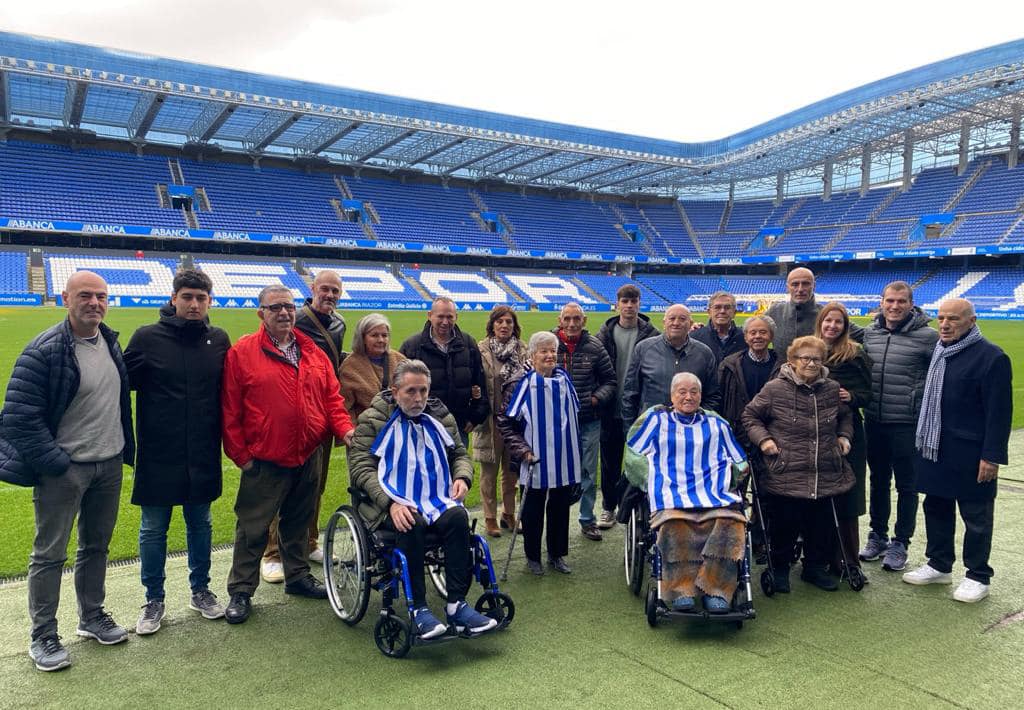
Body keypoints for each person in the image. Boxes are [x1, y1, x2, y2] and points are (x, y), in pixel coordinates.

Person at [0, 271, 135, 671]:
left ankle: (91, 617)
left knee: (96, 546)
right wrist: (56, 463)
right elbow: (19, 418)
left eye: (101, 296)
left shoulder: (110, 342)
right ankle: (43, 635)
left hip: (108, 464)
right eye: (85, 296)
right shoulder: (44, 350)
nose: (94, 303)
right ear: (66, 299)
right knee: (49, 554)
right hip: (65, 470)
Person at [220, 285, 355, 624]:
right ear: (261, 313)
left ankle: (297, 577)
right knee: (252, 528)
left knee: (298, 522)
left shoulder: (312, 352)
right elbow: (230, 409)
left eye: (289, 307)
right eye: (275, 307)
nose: (284, 313)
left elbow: (332, 400)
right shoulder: (243, 352)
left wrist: (345, 430)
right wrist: (241, 456)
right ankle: (241, 590)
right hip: (265, 459)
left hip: (308, 454)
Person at [348, 360, 498, 637]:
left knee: (458, 517)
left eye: (423, 391)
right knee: (410, 522)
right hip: (389, 501)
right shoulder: (372, 419)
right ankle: (418, 608)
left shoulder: (440, 416)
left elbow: (459, 454)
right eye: (411, 391)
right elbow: (360, 468)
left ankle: (456, 604)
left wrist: (462, 478)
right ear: (395, 392)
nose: (418, 398)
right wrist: (390, 503)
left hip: (434, 497)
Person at [124, 269, 231, 636]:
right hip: (158, 452)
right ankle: (153, 599)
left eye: (201, 298)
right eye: (187, 297)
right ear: (173, 299)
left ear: (209, 301)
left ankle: (200, 591)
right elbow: (117, 385)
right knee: (153, 528)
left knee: (200, 523)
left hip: (202, 451)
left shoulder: (218, 340)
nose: (194, 304)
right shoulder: (146, 338)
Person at [903, 299, 1012, 603]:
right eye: (941, 318)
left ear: (971, 321)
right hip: (935, 447)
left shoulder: (991, 357)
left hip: (971, 452)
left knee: (976, 516)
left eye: (953, 319)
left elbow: (999, 413)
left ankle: (978, 575)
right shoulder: (938, 351)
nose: (945, 324)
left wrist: (991, 456)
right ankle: (939, 564)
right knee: (936, 507)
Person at [625, 373, 749, 613]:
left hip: (713, 496)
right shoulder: (656, 421)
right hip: (672, 496)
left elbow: (739, 460)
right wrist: (648, 479)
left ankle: (715, 590)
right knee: (674, 523)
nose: (688, 397)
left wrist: (732, 478)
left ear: (701, 396)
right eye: (682, 392)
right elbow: (634, 454)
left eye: (694, 392)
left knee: (730, 522)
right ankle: (682, 589)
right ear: (672, 396)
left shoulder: (717, 425)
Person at [742, 335, 854, 592]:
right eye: (805, 358)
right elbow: (750, 416)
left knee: (821, 523)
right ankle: (780, 568)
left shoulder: (831, 389)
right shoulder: (775, 389)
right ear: (792, 361)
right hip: (786, 470)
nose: (811, 364)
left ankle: (814, 568)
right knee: (785, 524)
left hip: (824, 469)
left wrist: (844, 436)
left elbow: (846, 416)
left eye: (817, 359)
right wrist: (764, 440)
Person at [260, 269, 347, 578]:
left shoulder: (339, 323)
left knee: (315, 485)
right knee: (282, 486)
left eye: (335, 290)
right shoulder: (297, 321)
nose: (330, 295)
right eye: (325, 289)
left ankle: (309, 541)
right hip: (293, 413)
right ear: (312, 289)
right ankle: (272, 552)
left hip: (323, 415)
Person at [859, 281, 938, 572]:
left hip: (907, 423)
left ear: (911, 304)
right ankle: (877, 535)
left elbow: (939, 376)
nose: (894, 306)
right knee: (878, 481)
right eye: (890, 301)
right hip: (874, 420)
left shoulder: (928, 337)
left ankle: (901, 542)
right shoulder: (870, 333)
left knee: (907, 486)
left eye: (901, 301)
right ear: (881, 302)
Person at [498, 332, 581, 575]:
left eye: (552, 351)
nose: (549, 356)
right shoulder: (520, 382)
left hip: (562, 457)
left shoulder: (564, 380)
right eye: (543, 351)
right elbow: (505, 421)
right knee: (532, 509)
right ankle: (533, 556)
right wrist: (522, 450)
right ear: (532, 355)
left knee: (560, 507)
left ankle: (557, 554)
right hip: (532, 457)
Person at [815, 302, 872, 579]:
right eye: (828, 321)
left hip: (848, 434)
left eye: (838, 322)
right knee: (820, 497)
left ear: (845, 326)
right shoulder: (809, 350)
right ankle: (820, 557)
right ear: (820, 323)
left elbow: (869, 394)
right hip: (815, 432)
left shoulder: (855, 354)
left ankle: (849, 561)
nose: (832, 326)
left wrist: (853, 397)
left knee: (848, 497)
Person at [551, 302, 616, 541]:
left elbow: (610, 381)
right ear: (560, 320)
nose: (571, 324)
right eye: (567, 318)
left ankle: (587, 519)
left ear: (584, 321)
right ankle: (554, 520)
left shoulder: (595, 346)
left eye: (576, 319)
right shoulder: (549, 344)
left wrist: (596, 399)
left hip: (588, 420)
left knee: (588, 471)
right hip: (555, 423)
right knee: (555, 473)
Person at [596, 284, 659, 530]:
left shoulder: (652, 334)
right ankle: (608, 507)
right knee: (609, 463)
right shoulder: (604, 335)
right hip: (610, 409)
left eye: (634, 301)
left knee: (640, 462)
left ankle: (637, 506)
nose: (629, 306)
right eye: (625, 301)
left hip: (640, 411)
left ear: (639, 304)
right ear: (617, 304)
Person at [399, 297, 489, 446]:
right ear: (430, 315)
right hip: (421, 425)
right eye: (440, 316)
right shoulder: (412, 346)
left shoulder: (468, 344)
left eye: (449, 317)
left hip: (458, 426)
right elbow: (399, 387)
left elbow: (479, 383)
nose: (445, 322)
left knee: (457, 461)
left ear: (456, 317)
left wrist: (475, 417)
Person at [473, 306, 527, 537]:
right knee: (489, 473)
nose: (504, 325)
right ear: (492, 325)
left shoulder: (523, 350)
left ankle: (509, 514)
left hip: (515, 421)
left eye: (508, 322)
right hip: (490, 420)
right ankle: (489, 517)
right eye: (499, 321)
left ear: (514, 326)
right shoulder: (481, 350)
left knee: (512, 472)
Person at [622, 304, 721, 428]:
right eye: (672, 318)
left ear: (690, 324)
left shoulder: (704, 353)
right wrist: (631, 430)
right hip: (652, 428)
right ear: (664, 323)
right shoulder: (644, 349)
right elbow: (630, 393)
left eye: (682, 319)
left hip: (691, 429)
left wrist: (698, 421)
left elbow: (713, 396)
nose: (676, 323)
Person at [765, 267, 863, 356]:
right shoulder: (775, 311)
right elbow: (755, 333)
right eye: (795, 284)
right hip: (781, 370)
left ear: (814, 286)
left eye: (805, 284)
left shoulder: (826, 315)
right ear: (788, 287)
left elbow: (866, 336)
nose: (800, 289)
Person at [339, 313, 407, 422]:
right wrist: (356, 430)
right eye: (374, 335)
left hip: (399, 426)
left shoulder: (400, 360)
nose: (381, 340)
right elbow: (345, 408)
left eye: (384, 335)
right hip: (367, 428)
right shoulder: (350, 367)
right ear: (362, 338)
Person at [692, 291, 745, 366]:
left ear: (734, 313)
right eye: (717, 307)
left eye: (727, 307)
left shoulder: (745, 337)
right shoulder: (694, 337)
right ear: (709, 312)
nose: (722, 311)